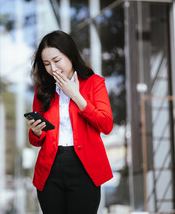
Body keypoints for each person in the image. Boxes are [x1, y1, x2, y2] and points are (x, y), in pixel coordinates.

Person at [26, 30, 113, 214]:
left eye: (57, 61)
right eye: (47, 64)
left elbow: (106, 125)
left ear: (71, 56)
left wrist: (76, 95)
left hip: (84, 167)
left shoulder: (94, 83)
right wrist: (36, 131)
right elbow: (36, 141)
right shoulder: (42, 91)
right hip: (50, 169)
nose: (53, 69)